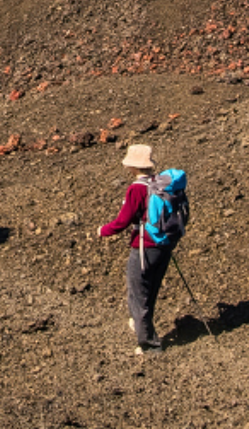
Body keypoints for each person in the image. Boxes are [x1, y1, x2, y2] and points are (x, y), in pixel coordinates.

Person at [98, 144, 171, 355]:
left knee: (138, 293)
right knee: (150, 290)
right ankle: (144, 328)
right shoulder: (161, 183)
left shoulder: (137, 188)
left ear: (132, 166)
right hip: (164, 244)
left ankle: (149, 345)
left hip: (143, 247)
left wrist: (103, 231)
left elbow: (123, 221)